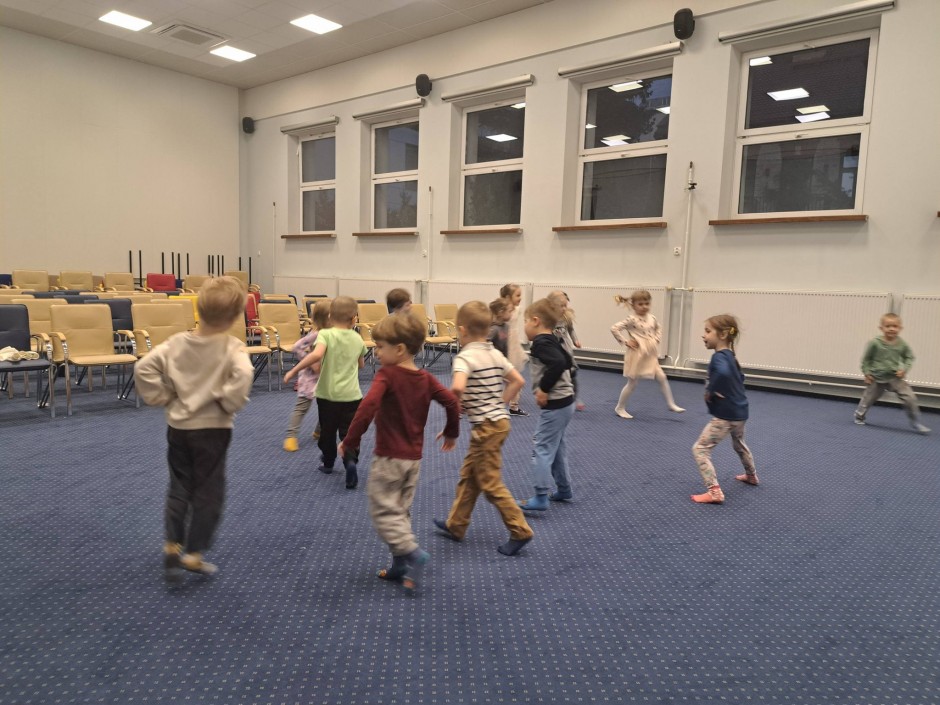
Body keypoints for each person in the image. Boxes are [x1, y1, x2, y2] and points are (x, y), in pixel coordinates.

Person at [135, 276, 254, 582]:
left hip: (178, 427)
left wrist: (162, 396)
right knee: (209, 490)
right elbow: (244, 375)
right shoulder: (232, 348)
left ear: (198, 308)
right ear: (235, 317)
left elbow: (143, 367)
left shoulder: (176, 343)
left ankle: (172, 545)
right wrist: (228, 402)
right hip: (213, 430)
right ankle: (194, 553)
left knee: (180, 486)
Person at [338, 312, 460, 595]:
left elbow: (367, 408)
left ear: (400, 349)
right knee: (400, 512)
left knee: (383, 513)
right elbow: (452, 403)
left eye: (380, 347)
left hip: (389, 460)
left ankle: (413, 554)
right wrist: (452, 432)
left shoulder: (388, 375)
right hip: (413, 461)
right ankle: (399, 565)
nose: (376, 352)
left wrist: (350, 441)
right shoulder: (426, 378)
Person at [433, 301, 533, 556]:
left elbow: (457, 388)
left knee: (490, 483)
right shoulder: (494, 353)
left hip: (486, 428)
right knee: (470, 477)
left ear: (462, 330)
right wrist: (499, 403)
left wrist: (453, 419)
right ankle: (456, 524)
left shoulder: (464, 357)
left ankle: (520, 530)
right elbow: (517, 381)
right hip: (499, 423)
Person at [284, 296, 366, 489]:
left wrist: (294, 370)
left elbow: (317, 354)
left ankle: (328, 462)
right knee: (348, 432)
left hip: (328, 396)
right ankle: (350, 461)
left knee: (327, 432)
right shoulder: (358, 338)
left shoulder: (326, 335)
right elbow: (361, 365)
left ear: (330, 316)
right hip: (352, 396)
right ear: (354, 318)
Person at [690, 314, 759, 504]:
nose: (703, 335)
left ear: (722, 335)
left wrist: (710, 390)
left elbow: (722, 373)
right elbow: (740, 378)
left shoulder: (719, 357)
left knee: (700, 449)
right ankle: (751, 475)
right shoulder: (731, 356)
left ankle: (714, 492)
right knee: (739, 444)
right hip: (741, 412)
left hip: (726, 416)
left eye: (707, 331)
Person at [518, 298, 576, 511]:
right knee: (557, 447)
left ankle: (540, 497)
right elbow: (567, 361)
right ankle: (564, 489)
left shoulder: (541, 343)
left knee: (541, 447)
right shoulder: (552, 339)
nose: (524, 326)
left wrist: (543, 388)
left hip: (555, 405)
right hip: (566, 402)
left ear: (535, 321)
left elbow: (560, 363)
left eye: (525, 321)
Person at [610, 290, 684, 419]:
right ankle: (620, 407)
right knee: (632, 383)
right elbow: (614, 328)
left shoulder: (652, 318)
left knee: (661, 376)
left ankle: (671, 404)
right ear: (633, 305)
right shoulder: (631, 319)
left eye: (647, 303)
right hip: (637, 354)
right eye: (640, 304)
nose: (644, 306)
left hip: (650, 353)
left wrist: (656, 339)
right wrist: (626, 341)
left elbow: (658, 328)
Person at [854, 313, 930, 434]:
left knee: (910, 398)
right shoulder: (875, 343)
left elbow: (909, 357)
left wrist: (904, 369)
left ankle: (915, 422)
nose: (891, 329)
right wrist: (867, 373)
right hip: (877, 378)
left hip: (894, 377)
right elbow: (866, 360)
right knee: (867, 399)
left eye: (894, 326)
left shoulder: (902, 344)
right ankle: (859, 416)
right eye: (888, 326)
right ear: (881, 328)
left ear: (900, 328)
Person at [282, 298, 330, 452]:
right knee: (302, 406)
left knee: (327, 406)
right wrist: (312, 363)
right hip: (310, 376)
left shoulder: (334, 334)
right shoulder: (316, 334)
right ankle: (291, 436)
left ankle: (319, 431)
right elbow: (297, 347)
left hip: (326, 376)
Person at [547, 290, 585, 411]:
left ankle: (574, 397)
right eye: (561, 306)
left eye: (565, 305)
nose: (564, 308)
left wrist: (575, 340)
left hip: (566, 348)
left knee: (572, 374)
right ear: (552, 305)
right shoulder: (548, 318)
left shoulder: (566, 317)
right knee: (556, 375)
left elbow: (571, 330)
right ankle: (553, 396)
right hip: (554, 349)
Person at [500, 283, 528, 416]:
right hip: (504, 346)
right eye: (517, 295)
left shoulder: (518, 309)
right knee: (500, 376)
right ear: (507, 297)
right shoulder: (501, 311)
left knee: (515, 376)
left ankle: (514, 406)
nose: (520, 298)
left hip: (514, 346)